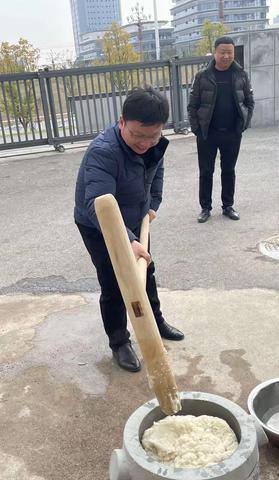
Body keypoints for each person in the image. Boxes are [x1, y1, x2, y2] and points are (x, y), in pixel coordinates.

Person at [74, 86, 184, 373]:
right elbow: (95, 205)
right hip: (98, 225)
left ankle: (155, 322)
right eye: (137, 135)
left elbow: (156, 171)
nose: (145, 144)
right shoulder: (104, 152)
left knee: (146, 271)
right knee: (114, 282)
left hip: (135, 218)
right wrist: (128, 240)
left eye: (153, 136)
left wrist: (153, 203)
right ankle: (119, 342)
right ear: (121, 121)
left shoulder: (154, 142)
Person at [187, 36, 255, 223]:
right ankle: (205, 208)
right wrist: (196, 129)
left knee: (229, 170)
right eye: (222, 52)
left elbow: (249, 101)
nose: (226, 56)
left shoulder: (241, 75)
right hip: (207, 132)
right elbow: (192, 105)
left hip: (232, 132)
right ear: (215, 53)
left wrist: (244, 124)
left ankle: (228, 206)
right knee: (206, 171)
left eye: (229, 52)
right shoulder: (202, 76)